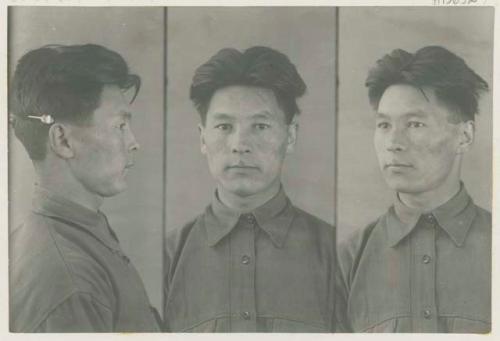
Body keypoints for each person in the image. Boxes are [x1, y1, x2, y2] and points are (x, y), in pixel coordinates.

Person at [163, 46, 335, 332]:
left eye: (260, 126)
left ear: (290, 136)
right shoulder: (168, 258)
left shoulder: (335, 255)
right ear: (202, 138)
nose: (240, 144)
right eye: (224, 126)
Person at [336, 46, 491, 333]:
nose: (393, 142)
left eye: (415, 124)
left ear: (465, 136)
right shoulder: (348, 261)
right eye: (384, 125)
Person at [9, 44, 161, 332]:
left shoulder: (75, 230)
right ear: (63, 141)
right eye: (119, 126)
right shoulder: (69, 280)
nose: (133, 142)